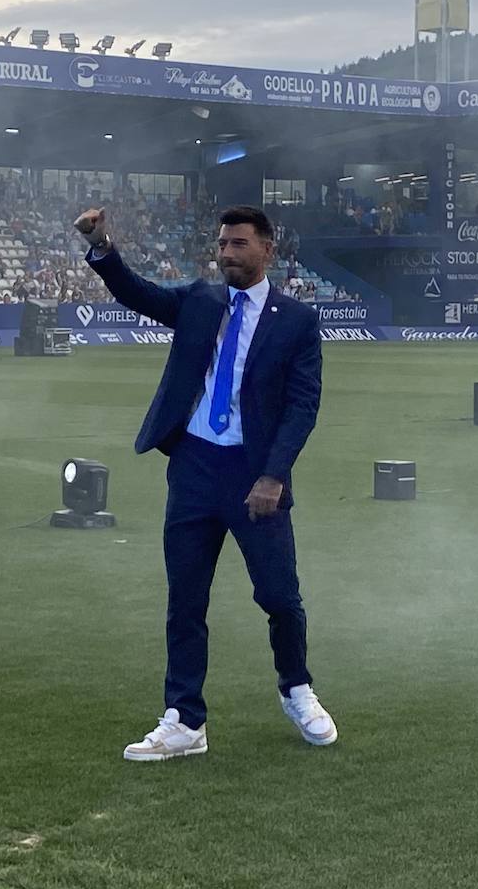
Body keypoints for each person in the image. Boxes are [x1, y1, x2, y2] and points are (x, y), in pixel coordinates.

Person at [76, 204, 335, 761]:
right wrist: (103, 247)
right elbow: (137, 293)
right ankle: (184, 719)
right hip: (194, 466)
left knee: (279, 596)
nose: (227, 254)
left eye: (239, 244)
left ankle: (297, 690)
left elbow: (302, 405)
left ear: (268, 249)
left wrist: (273, 475)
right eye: (222, 244)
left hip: (254, 476)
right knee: (185, 599)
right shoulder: (200, 301)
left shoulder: (296, 321)